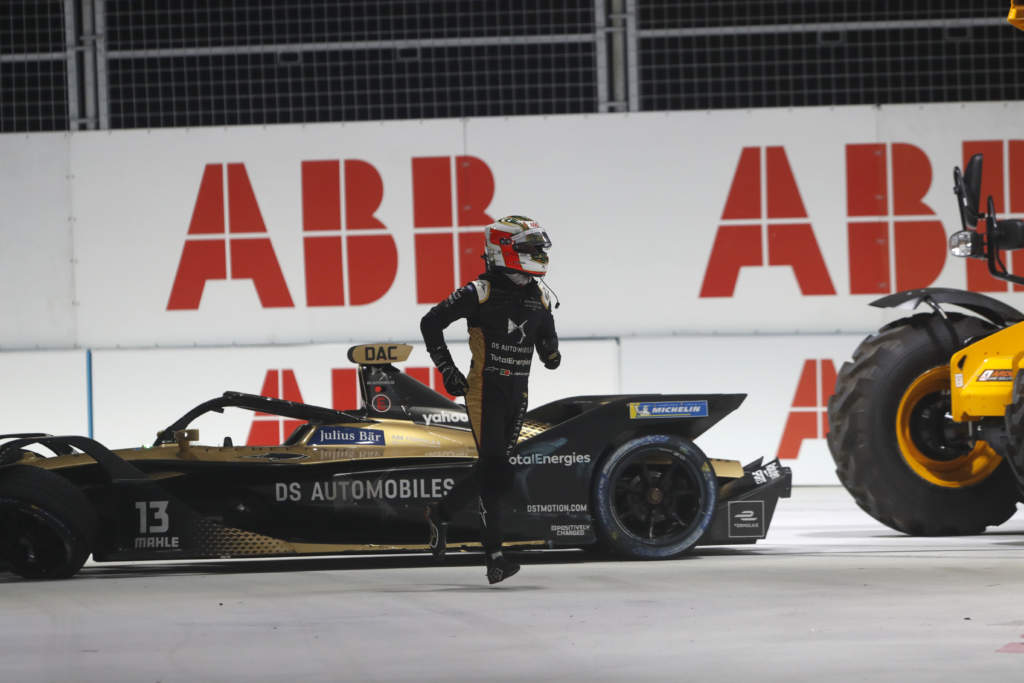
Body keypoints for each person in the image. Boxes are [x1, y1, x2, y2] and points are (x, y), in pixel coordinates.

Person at [421, 215, 561, 584]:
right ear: (504, 250)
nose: (538, 254)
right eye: (530, 248)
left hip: (519, 393)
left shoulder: (539, 295)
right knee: (497, 469)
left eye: (539, 247)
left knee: (494, 470)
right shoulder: (478, 292)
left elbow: (547, 337)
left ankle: (442, 512)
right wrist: (447, 370)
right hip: (485, 392)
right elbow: (430, 322)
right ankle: (495, 556)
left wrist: (551, 351)